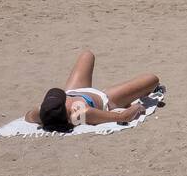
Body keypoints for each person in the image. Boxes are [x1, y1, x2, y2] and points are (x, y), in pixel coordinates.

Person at [23, 50, 159, 131]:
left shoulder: (42, 112)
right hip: (106, 98)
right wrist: (137, 106)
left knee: (87, 55)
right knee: (152, 80)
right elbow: (123, 117)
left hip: (75, 90)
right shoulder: (81, 114)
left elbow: (28, 116)